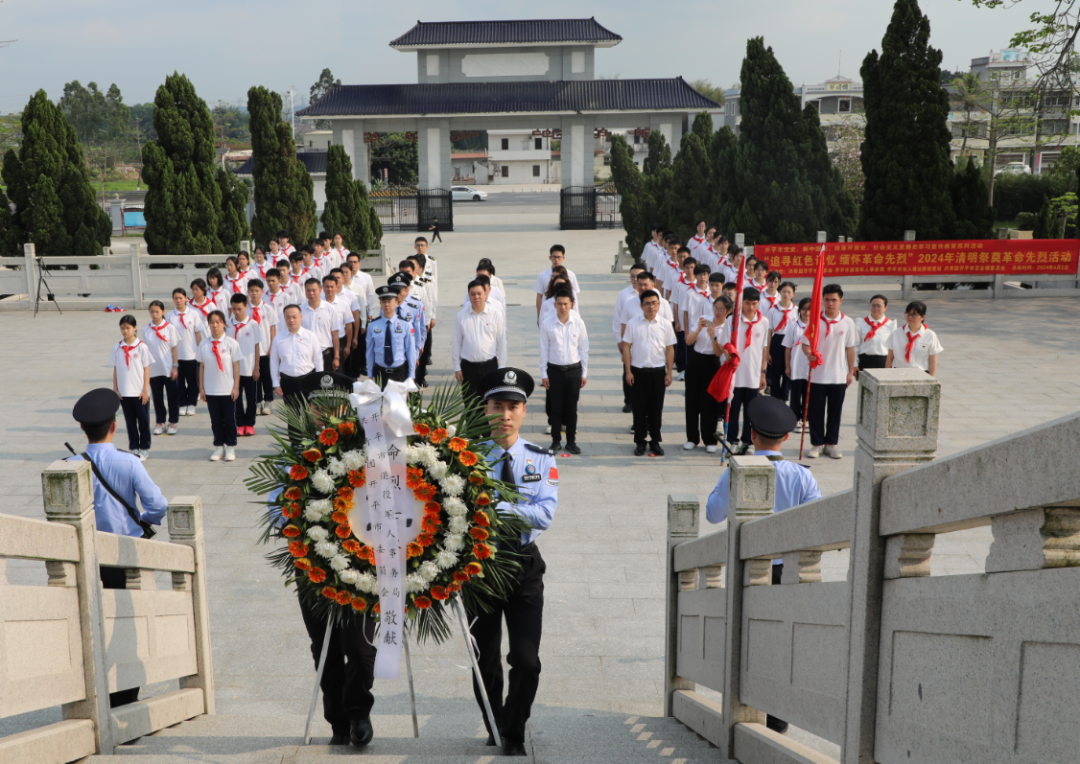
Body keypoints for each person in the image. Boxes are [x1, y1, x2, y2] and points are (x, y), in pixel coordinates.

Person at [704, 394, 820, 735]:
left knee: (747, 638)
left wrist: (729, 473)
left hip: (748, 569)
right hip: (787, 570)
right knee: (782, 641)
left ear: (752, 435)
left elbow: (712, 513)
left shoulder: (738, 470)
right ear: (785, 438)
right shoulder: (802, 476)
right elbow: (816, 520)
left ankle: (747, 709)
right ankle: (778, 717)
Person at [469, 367, 557, 757]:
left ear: (524, 411)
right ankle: (497, 724)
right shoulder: (467, 459)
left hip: (523, 566)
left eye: (513, 407)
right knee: (484, 658)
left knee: (526, 660)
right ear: (485, 409)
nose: (505, 415)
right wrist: (517, 506)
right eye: (497, 406)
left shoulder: (541, 458)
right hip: (480, 567)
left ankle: (515, 726)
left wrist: (494, 506)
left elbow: (545, 515)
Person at [67, 388, 169, 708]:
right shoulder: (129, 462)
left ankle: (92, 691)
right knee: (126, 621)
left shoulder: (70, 464)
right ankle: (125, 695)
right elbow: (158, 505)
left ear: (82, 429)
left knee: (90, 620)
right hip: (124, 553)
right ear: (115, 425)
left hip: (86, 556)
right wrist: (141, 519)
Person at [798, 284, 857, 459]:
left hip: (838, 375)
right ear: (822, 300)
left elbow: (850, 348)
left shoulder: (847, 322)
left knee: (835, 411)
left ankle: (831, 444)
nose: (830, 303)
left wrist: (850, 371)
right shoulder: (815, 321)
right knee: (815, 411)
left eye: (834, 300)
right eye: (827, 300)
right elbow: (805, 343)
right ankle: (816, 443)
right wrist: (809, 355)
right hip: (817, 375)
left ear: (841, 301)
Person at [621, 290, 675, 456]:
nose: (651, 306)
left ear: (659, 305)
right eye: (647, 303)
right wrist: (628, 371)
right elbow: (626, 347)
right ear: (641, 306)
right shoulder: (633, 323)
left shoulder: (665, 324)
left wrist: (669, 372)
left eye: (654, 303)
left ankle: (655, 441)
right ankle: (640, 441)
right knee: (638, 408)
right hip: (638, 372)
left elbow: (670, 349)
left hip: (658, 372)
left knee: (656, 408)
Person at [717, 288, 770, 454]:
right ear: (741, 303)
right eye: (747, 303)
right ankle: (732, 440)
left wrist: (763, 372)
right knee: (732, 410)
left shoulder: (764, 322)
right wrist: (729, 358)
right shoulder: (732, 321)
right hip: (735, 375)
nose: (751, 307)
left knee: (751, 412)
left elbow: (764, 349)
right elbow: (723, 345)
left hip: (753, 375)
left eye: (754, 303)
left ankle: (747, 442)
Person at [539, 288, 588, 454]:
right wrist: (544, 374)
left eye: (566, 304)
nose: (563, 307)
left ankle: (571, 441)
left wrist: (584, 373)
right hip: (554, 371)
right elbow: (543, 350)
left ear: (571, 304)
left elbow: (584, 349)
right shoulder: (547, 324)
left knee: (571, 408)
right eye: (559, 303)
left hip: (574, 370)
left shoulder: (578, 323)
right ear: (554, 305)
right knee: (556, 408)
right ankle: (555, 441)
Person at [683, 276, 725, 453]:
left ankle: (710, 439)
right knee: (692, 400)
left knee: (709, 402)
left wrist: (713, 335)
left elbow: (718, 352)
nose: (717, 312)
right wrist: (700, 329)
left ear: (728, 311)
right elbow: (688, 341)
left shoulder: (727, 327)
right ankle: (692, 437)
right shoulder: (703, 319)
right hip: (695, 360)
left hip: (712, 363)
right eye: (716, 308)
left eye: (722, 309)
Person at [453, 279, 507, 405]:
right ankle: (471, 426)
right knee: (470, 406)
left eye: (479, 293)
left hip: (490, 367)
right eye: (472, 294)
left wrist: (502, 368)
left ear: (486, 294)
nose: (476, 297)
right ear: (469, 296)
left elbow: (502, 342)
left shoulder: (495, 315)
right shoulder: (461, 316)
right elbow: (456, 343)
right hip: (468, 368)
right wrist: (457, 367)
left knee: (490, 404)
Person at [197, 310, 241, 462]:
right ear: (208, 324)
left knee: (229, 419)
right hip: (211, 389)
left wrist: (236, 387)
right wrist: (201, 388)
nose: (215, 325)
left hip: (227, 388)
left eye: (218, 321)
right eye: (212, 322)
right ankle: (218, 446)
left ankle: (230, 446)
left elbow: (236, 366)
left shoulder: (231, 343)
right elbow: (201, 367)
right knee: (215, 420)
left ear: (224, 323)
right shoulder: (204, 344)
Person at [110, 315, 153, 460]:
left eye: (128, 328)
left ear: (135, 328)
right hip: (124, 392)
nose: (125, 331)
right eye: (122, 328)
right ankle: (134, 447)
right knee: (130, 422)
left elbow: (147, 369)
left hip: (139, 392)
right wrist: (115, 389)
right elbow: (116, 369)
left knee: (143, 421)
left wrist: (145, 390)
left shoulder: (141, 347)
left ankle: (144, 448)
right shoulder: (117, 347)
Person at [271, 304, 323, 405]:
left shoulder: (311, 336)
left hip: (307, 380)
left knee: (309, 416)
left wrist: (319, 382)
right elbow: (274, 362)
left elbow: (318, 360)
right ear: (284, 319)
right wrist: (276, 384)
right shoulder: (278, 338)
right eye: (288, 317)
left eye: (294, 317)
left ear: (300, 317)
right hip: (287, 382)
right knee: (292, 417)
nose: (291, 320)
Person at [143, 301, 180, 437]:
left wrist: (175, 366)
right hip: (154, 370)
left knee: (172, 397)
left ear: (163, 312)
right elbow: (145, 351)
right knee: (157, 397)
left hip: (168, 368)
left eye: (157, 311)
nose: (154, 314)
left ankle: (173, 421)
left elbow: (175, 348)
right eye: (152, 311)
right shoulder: (146, 330)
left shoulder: (170, 328)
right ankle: (160, 421)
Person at [365, 286, 416, 386]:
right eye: (383, 301)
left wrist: (412, 375)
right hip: (379, 372)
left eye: (389, 301)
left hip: (399, 372)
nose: (386, 304)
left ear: (396, 302)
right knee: (380, 401)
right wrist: (370, 374)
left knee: (400, 401)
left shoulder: (405, 324)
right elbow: (370, 352)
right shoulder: (373, 325)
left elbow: (411, 351)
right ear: (380, 304)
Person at [167, 288, 206, 418]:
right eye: (176, 298)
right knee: (179, 381)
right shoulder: (169, 316)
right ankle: (182, 404)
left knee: (193, 381)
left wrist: (200, 350)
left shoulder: (193, 314)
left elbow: (198, 333)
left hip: (191, 354)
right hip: (177, 355)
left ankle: (192, 404)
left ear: (186, 298)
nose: (178, 300)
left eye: (180, 298)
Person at [227, 294, 261, 437]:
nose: (237, 312)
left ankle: (250, 423)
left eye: (240, 309)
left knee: (251, 398)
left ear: (246, 307)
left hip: (249, 367)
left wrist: (257, 367)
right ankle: (240, 423)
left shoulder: (253, 324)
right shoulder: (228, 324)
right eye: (234, 309)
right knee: (236, 397)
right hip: (233, 369)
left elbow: (257, 346)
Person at [886, 300, 943, 376]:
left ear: (923, 317)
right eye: (908, 314)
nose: (910, 317)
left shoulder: (930, 335)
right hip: (899, 373)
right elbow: (890, 358)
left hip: (921, 374)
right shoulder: (896, 333)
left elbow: (933, 361)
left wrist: (932, 379)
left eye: (914, 314)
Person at [247, 279, 278, 416]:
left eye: (257, 290)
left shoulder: (268, 308)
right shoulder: (245, 309)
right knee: (254, 378)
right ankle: (257, 402)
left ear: (261, 292)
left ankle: (268, 401)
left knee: (266, 376)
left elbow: (272, 329)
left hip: (265, 349)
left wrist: (272, 346)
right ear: (248, 292)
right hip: (250, 351)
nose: (254, 293)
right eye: (252, 291)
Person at [300, 277, 343, 372]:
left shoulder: (330, 309)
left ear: (320, 290)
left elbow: (335, 335)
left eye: (314, 290)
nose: (311, 293)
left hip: (325, 353)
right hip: (305, 354)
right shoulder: (300, 310)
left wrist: (336, 357)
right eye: (308, 290)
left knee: (326, 385)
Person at [783, 298, 813, 429]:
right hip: (796, 367)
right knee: (795, 395)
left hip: (810, 368)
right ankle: (795, 419)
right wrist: (788, 367)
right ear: (799, 310)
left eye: (810, 309)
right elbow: (788, 348)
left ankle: (806, 419)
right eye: (804, 309)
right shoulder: (793, 326)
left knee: (809, 396)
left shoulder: (816, 327)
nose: (807, 312)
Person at [765, 281, 798, 402]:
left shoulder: (796, 310)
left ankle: (784, 398)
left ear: (793, 294)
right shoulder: (772, 310)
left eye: (789, 292)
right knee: (775, 371)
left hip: (790, 343)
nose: (786, 294)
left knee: (787, 370)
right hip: (777, 341)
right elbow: (768, 332)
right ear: (779, 293)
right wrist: (767, 352)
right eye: (783, 291)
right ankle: (774, 398)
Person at [533, 245, 581, 324]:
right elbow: (539, 296)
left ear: (563, 258)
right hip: (549, 315)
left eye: (559, 257)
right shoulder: (543, 275)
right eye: (554, 257)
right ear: (550, 258)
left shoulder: (571, 275)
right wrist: (539, 316)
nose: (556, 260)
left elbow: (574, 297)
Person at [857, 295, 896, 375]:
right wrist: (854, 364)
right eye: (873, 305)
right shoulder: (861, 323)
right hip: (865, 361)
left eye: (879, 306)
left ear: (885, 308)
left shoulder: (891, 325)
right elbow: (855, 345)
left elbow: (894, 348)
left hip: (883, 362)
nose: (875, 308)